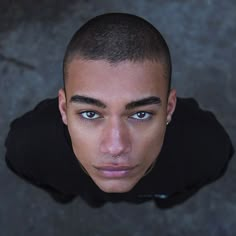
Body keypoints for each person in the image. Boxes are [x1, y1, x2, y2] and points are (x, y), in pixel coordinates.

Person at [5, 13, 234, 208]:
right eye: (90, 113)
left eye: (140, 114)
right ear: (63, 109)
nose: (115, 147)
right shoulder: (27, 149)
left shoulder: (208, 150)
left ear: (169, 108)